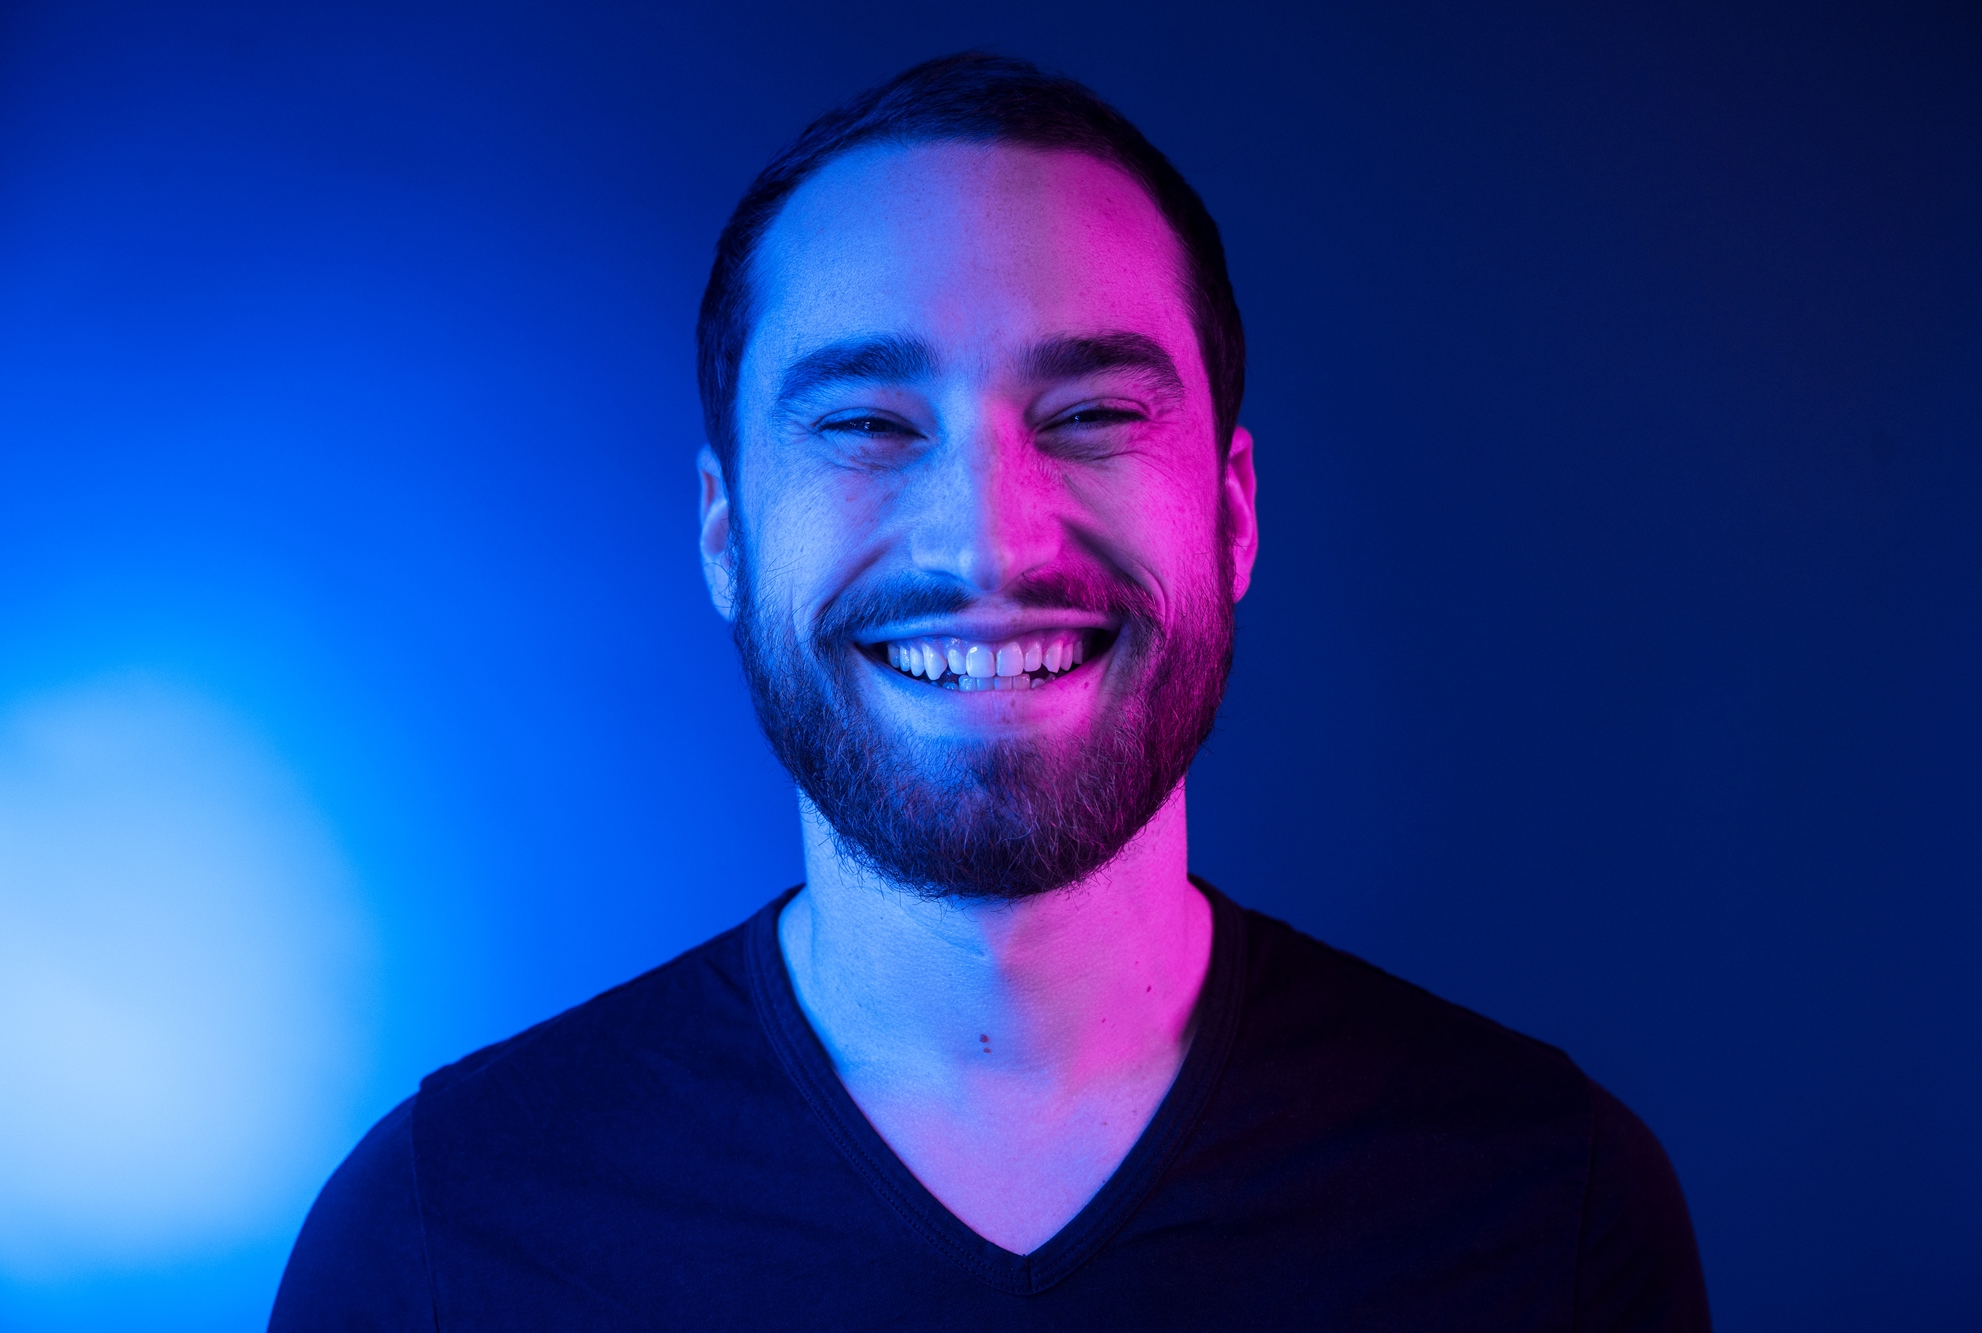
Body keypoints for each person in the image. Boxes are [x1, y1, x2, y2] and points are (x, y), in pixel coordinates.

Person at [270, 53, 1710, 1330]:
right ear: (725, 534)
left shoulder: (1550, 1212)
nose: (988, 544)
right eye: (866, 424)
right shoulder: (441, 1239)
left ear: (1233, 514)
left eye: (1091, 415)